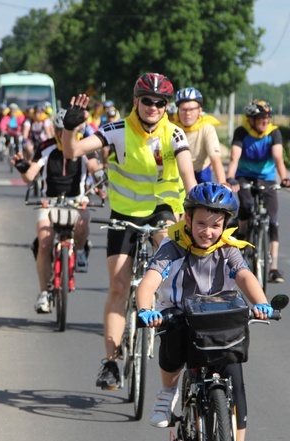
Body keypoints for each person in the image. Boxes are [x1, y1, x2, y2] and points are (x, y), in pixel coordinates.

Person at [136, 182, 274, 441]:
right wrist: (146, 309)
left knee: (236, 384)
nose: (208, 231)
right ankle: (168, 390)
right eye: (201, 223)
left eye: (216, 225)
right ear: (187, 219)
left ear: (225, 224)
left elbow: (244, 277)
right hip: (180, 316)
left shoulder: (228, 248)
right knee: (171, 347)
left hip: (219, 321)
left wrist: (261, 302)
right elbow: (149, 283)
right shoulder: (172, 245)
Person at [62, 72, 197, 389]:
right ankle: (110, 363)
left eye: (160, 102)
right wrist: (69, 128)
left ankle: (172, 325)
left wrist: (198, 208)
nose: (153, 107)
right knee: (119, 287)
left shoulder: (175, 134)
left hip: (163, 209)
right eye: (147, 101)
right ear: (136, 101)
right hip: (124, 213)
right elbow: (72, 152)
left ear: (166, 107)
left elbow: (189, 177)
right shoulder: (117, 130)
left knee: (171, 266)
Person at [12, 108, 102, 313]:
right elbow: (30, 176)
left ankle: (80, 250)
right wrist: (22, 167)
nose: (63, 135)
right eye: (59, 131)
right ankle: (44, 293)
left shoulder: (84, 146)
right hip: (50, 201)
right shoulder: (45, 147)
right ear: (54, 130)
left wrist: (100, 184)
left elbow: (95, 169)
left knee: (84, 218)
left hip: (76, 200)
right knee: (43, 244)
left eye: (67, 131)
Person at [226, 99, 290, 283]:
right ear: (250, 120)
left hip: (267, 177)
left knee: (272, 220)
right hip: (244, 176)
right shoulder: (242, 132)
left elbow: (278, 158)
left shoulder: (274, 133)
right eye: (260, 118)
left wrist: (285, 178)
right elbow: (234, 157)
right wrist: (230, 177)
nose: (265, 121)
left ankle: (273, 268)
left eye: (267, 118)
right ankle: (241, 231)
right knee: (247, 207)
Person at [173, 88, 227, 184]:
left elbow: (215, 159)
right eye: (183, 109)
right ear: (177, 110)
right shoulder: (172, 127)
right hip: (177, 173)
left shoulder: (206, 128)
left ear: (200, 110)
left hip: (200, 172)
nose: (187, 113)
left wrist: (223, 183)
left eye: (192, 109)